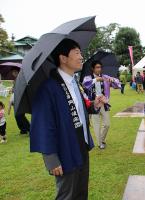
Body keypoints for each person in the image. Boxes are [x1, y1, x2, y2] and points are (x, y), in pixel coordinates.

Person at [30, 39, 104, 200]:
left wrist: (94, 105)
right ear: (63, 58)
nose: (81, 57)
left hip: (81, 146)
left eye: (80, 53)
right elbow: (43, 124)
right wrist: (51, 159)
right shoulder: (48, 88)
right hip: (65, 150)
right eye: (77, 53)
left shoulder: (73, 82)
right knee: (67, 194)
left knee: (80, 193)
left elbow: (77, 110)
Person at [82, 60, 121, 149]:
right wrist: (95, 79)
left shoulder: (105, 77)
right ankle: (100, 144)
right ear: (92, 68)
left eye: (100, 67)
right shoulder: (88, 78)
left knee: (107, 124)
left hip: (104, 104)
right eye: (97, 67)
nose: (99, 69)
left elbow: (117, 84)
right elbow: (85, 85)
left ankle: (102, 139)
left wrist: (112, 80)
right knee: (96, 126)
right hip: (94, 104)